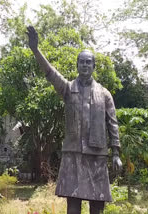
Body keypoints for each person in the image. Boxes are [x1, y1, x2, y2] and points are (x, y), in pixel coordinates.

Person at [26, 26, 122, 214]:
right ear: (77, 65)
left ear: (94, 66)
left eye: (88, 62)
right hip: (73, 155)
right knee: (73, 207)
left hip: (97, 156)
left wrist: (116, 153)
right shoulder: (68, 90)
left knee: (97, 206)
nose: (85, 65)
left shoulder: (104, 94)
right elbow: (50, 73)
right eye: (81, 62)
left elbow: (113, 124)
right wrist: (35, 50)